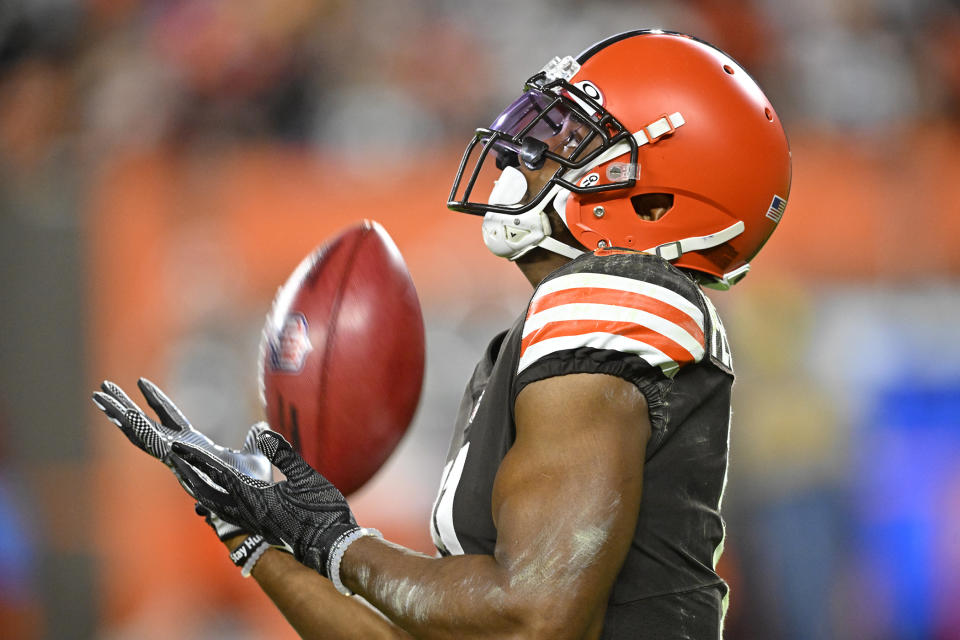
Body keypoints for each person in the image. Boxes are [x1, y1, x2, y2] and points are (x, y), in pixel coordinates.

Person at [93, 30, 791, 639]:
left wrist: (337, 544)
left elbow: (533, 618)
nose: (527, 154)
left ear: (655, 195)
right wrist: (259, 535)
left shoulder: (609, 300)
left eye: (572, 137)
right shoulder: (551, 335)